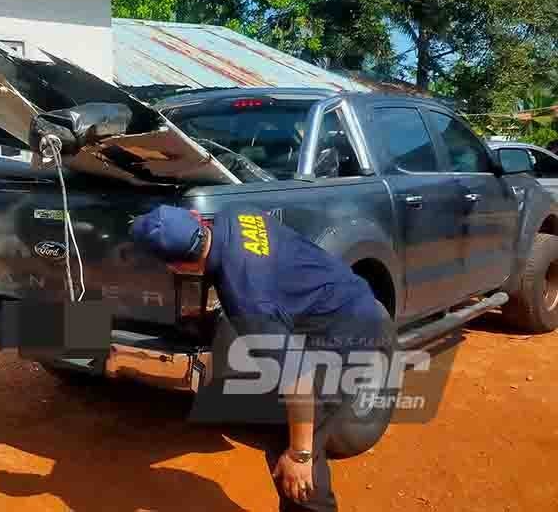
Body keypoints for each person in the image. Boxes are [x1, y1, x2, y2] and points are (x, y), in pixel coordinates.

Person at [130, 205, 393, 512]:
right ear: (197, 219)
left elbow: (299, 378)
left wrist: (300, 455)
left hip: (347, 334)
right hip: (344, 300)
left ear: (177, 267)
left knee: (290, 446)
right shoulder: (236, 213)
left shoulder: (248, 299)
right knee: (279, 419)